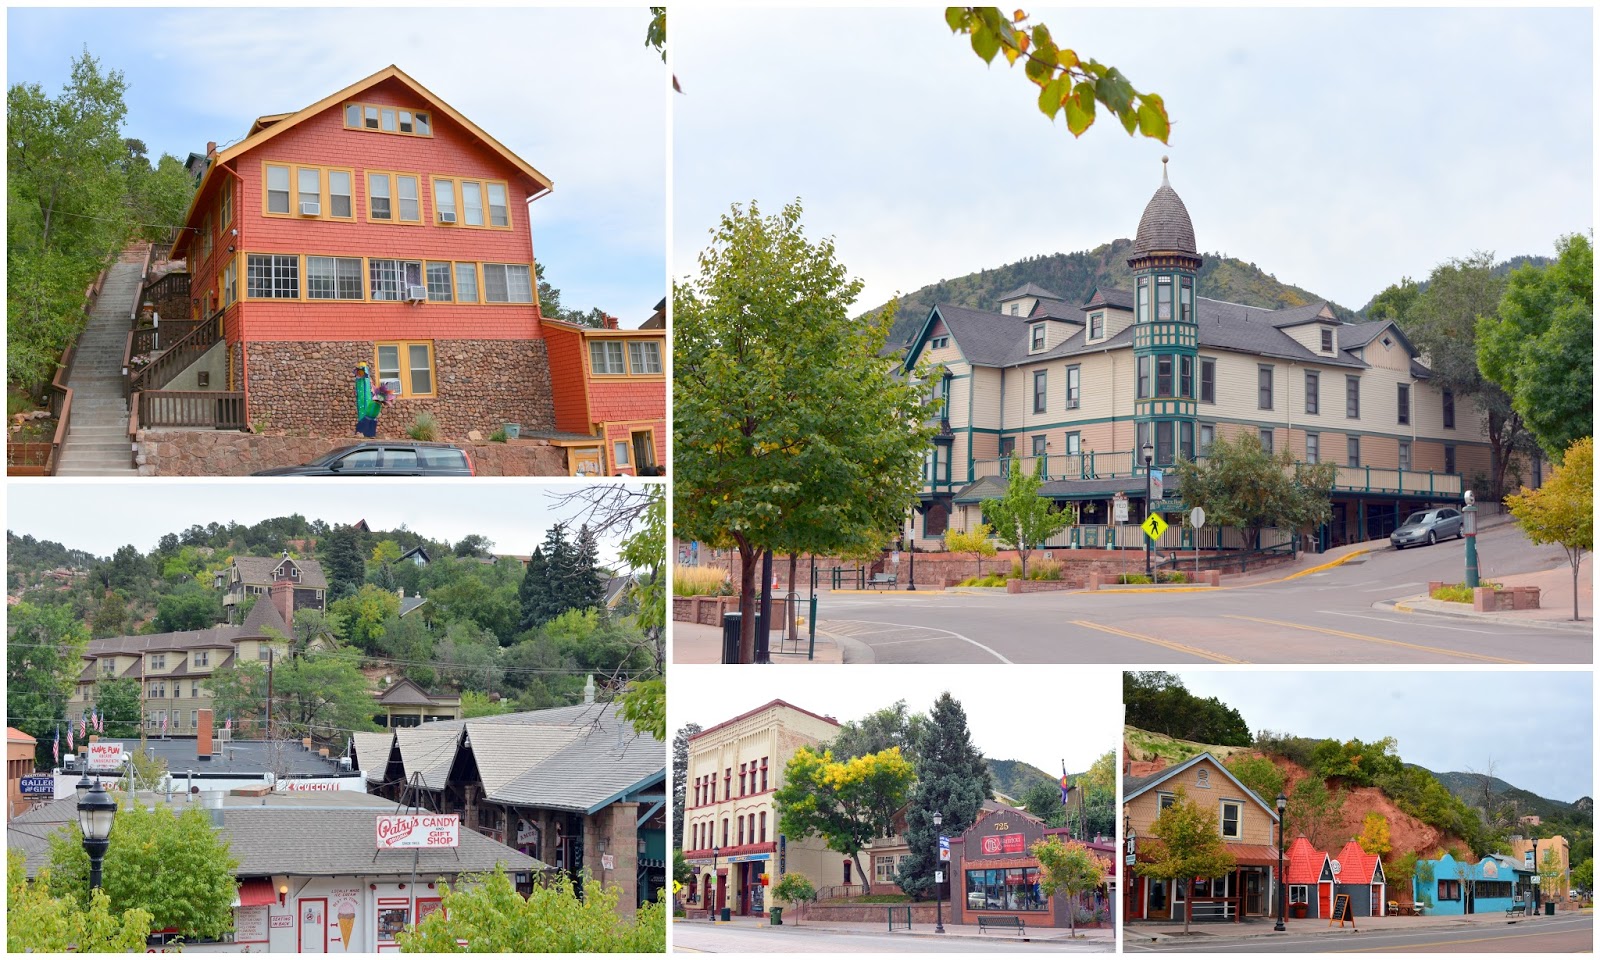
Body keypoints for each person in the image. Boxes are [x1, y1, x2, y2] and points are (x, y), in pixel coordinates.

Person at [354, 362, 383, 437]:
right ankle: (363, 432)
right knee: (363, 412)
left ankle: (367, 432)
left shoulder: (367, 381)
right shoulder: (359, 381)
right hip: (363, 404)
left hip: (367, 404)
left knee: (367, 414)